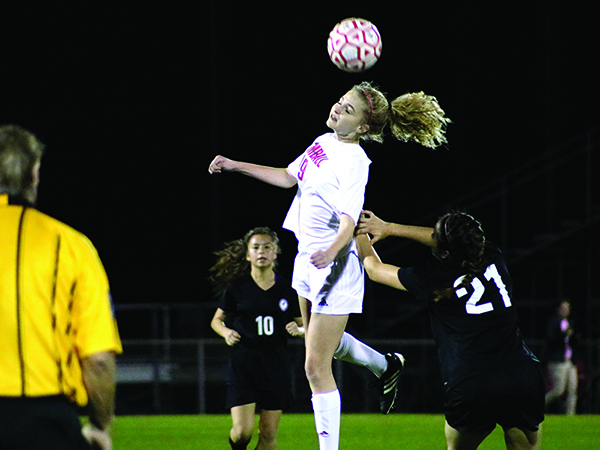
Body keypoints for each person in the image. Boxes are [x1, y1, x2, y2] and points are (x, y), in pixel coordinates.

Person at [209, 81, 450, 449]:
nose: (337, 109)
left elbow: (349, 221)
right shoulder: (323, 141)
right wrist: (234, 165)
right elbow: (289, 177)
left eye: (348, 110)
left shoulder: (355, 162)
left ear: (363, 128)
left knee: (314, 367)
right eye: (340, 102)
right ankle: (385, 366)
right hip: (308, 261)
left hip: (334, 267)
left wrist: (331, 251)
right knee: (317, 343)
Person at [356, 210, 545, 450]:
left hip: (472, 383)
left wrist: (359, 229)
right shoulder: (492, 254)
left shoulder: (432, 276)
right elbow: (449, 240)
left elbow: (373, 269)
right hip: (520, 374)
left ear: (444, 251)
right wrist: (389, 227)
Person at [0, 124, 122, 450]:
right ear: (34, 174)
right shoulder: (71, 246)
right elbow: (97, 360)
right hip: (43, 423)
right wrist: (99, 425)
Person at [210, 227, 303, 450]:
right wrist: (226, 332)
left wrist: (298, 330)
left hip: (276, 366)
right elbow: (216, 321)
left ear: (275, 254)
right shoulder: (237, 288)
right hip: (244, 365)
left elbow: (306, 325)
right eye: (256, 247)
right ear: (248, 255)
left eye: (267, 247)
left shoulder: (288, 289)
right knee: (243, 433)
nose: (261, 251)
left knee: (269, 434)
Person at [544, 299, 578, 414]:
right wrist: (563, 334)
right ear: (558, 309)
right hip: (557, 361)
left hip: (569, 360)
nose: (565, 310)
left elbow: (572, 343)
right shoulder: (553, 322)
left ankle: (570, 416)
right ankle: (537, 407)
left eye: (567, 308)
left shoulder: (569, 323)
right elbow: (551, 340)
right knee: (558, 390)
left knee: (573, 389)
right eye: (563, 308)